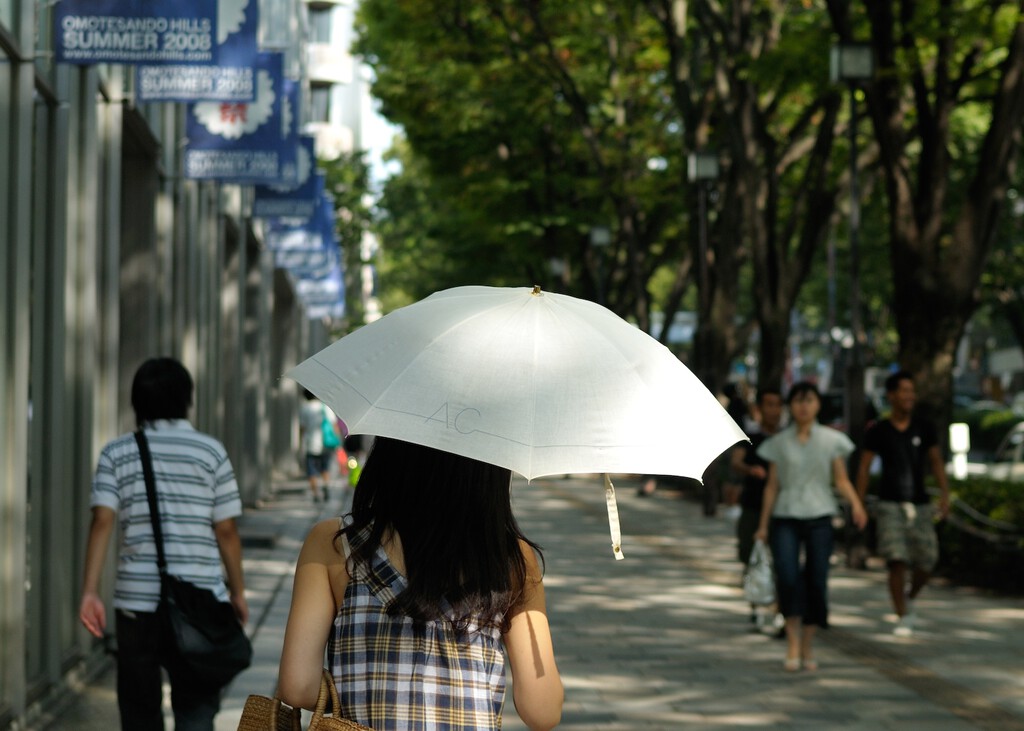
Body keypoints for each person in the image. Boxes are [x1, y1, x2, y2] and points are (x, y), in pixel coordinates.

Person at [277, 436, 564, 731]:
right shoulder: (510, 559)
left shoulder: (333, 544)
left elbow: (297, 686)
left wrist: (363, 688)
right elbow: (541, 711)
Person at [79, 357, 248, 730]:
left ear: (136, 401)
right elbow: (226, 531)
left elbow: (102, 520)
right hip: (199, 599)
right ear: (187, 399)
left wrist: (90, 591)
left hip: (136, 605)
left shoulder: (116, 453)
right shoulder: (210, 452)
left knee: (139, 710)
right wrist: (237, 591)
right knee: (196, 706)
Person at [754, 381, 867, 672]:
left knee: (817, 578)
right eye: (798, 400)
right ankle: (792, 640)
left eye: (810, 400)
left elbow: (841, 479)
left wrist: (856, 504)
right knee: (788, 577)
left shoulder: (832, 440)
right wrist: (763, 525)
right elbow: (772, 486)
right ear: (791, 406)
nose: (804, 406)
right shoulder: (778, 442)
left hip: (820, 515)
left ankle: (808, 642)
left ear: (818, 405)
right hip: (786, 515)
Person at [854, 370, 951, 636]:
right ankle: (902, 613)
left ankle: (909, 596)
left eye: (912, 391)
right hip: (889, 503)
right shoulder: (879, 430)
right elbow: (863, 468)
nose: (909, 396)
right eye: (904, 391)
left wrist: (945, 494)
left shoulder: (924, 427)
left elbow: (935, 461)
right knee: (896, 559)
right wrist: (858, 503)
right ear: (892, 395)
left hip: (920, 503)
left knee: (927, 560)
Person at [731, 387, 784, 629]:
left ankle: (779, 609)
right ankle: (755, 605)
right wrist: (750, 470)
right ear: (760, 409)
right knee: (751, 556)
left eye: (777, 405)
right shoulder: (750, 437)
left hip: (782, 509)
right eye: (769, 405)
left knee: (782, 560)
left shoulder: (787, 438)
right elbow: (736, 461)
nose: (774, 410)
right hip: (753, 506)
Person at [300, 388, 338, 502]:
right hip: (325, 444)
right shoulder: (325, 407)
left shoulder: (305, 408)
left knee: (311, 471)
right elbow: (334, 425)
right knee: (325, 467)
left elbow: (302, 427)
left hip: (311, 444)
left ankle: (315, 494)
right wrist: (337, 440)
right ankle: (326, 485)